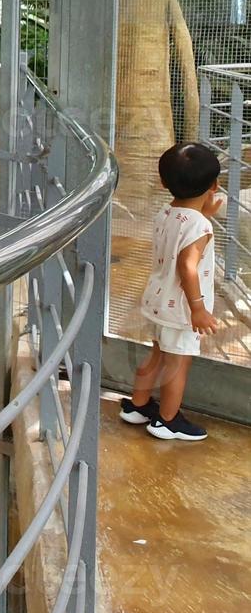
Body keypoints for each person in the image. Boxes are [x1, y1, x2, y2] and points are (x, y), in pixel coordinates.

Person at [119, 143, 222, 441]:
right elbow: (187, 267)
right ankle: (167, 420)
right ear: (214, 185)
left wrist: (205, 212)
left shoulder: (165, 212)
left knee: (157, 355)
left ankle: (137, 406)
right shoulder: (200, 227)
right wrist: (199, 309)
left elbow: (182, 225)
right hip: (181, 309)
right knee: (178, 362)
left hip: (157, 300)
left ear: (164, 183)